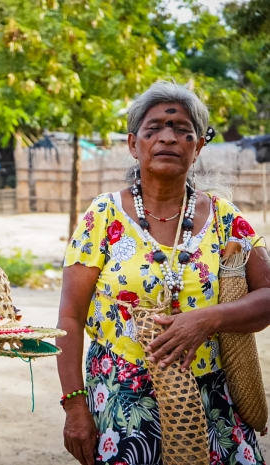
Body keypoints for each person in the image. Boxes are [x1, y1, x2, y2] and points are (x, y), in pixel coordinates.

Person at [56, 80, 270, 465]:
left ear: (199, 144)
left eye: (182, 131)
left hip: (211, 402)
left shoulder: (225, 219)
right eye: (153, 129)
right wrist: (74, 406)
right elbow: (69, 317)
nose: (168, 139)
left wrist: (210, 319)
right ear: (133, 143)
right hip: (123, 399)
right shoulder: (103, 217)